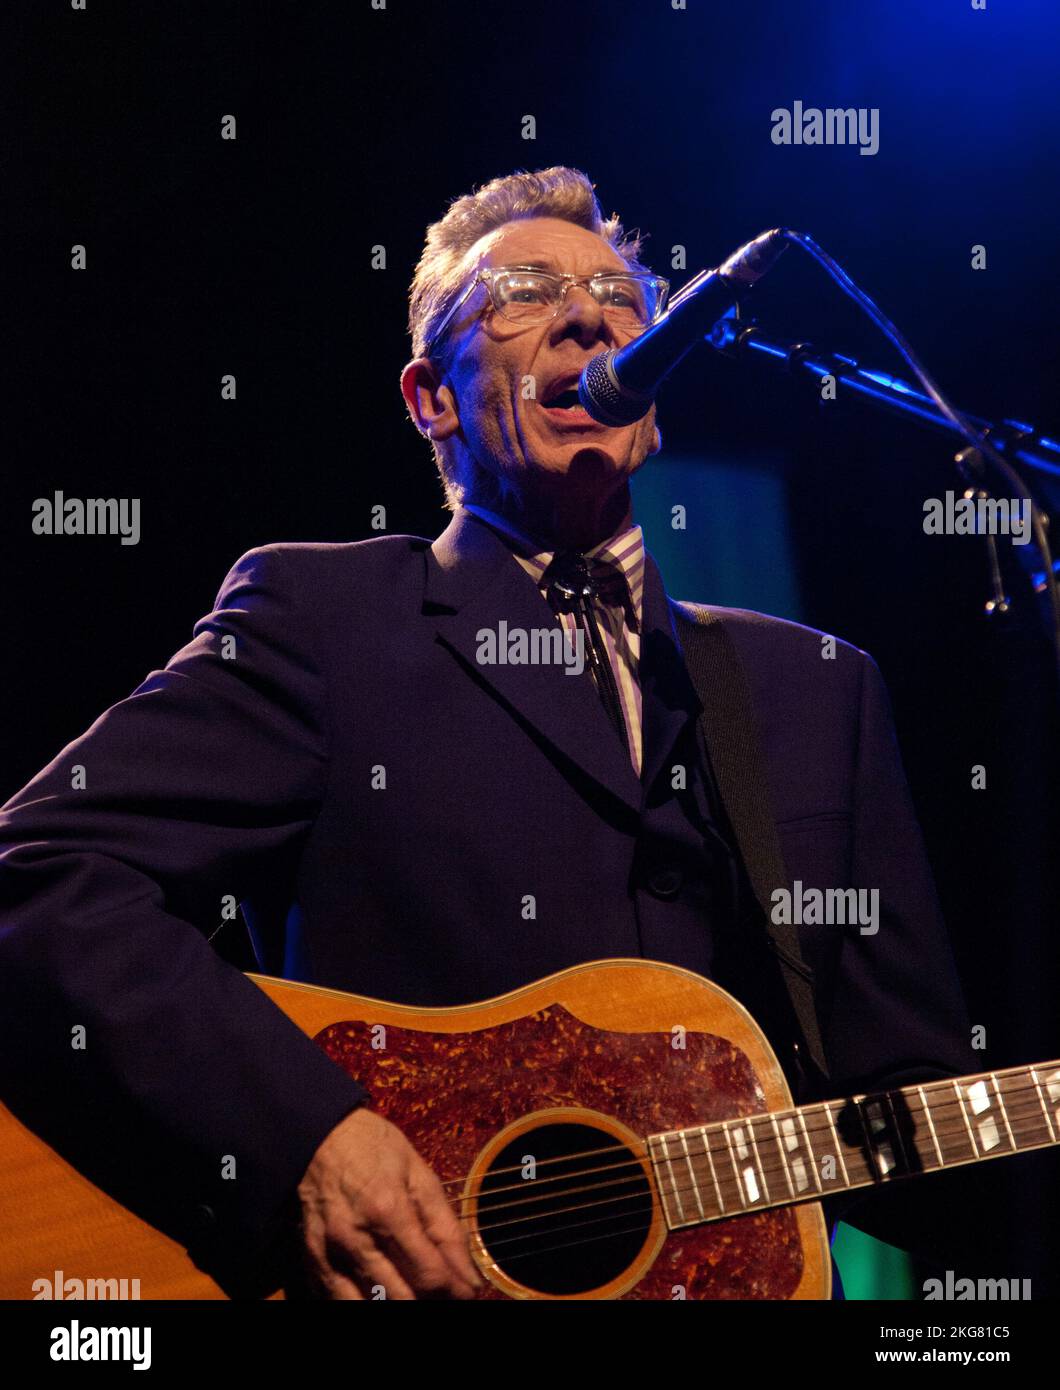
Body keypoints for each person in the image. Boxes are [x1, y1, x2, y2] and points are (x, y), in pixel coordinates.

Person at [0, 167, 989, 1301]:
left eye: (623, 297)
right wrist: (306, 1138)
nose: (588, 315)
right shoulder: (328, 622)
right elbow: (40, 869)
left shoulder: (814, 687)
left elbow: (916, 1121)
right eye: (525, 292)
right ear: (432, 399)